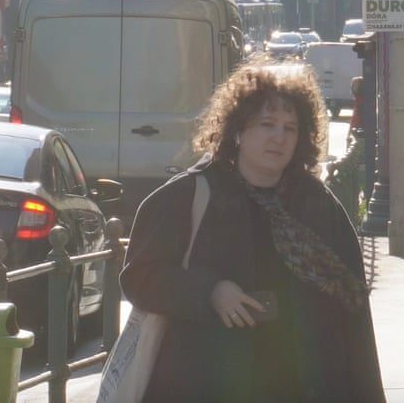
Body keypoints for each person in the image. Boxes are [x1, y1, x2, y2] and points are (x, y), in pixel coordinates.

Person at [120, 63, 386, 403]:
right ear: (238, 130)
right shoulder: (188, 196)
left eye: (290, 128)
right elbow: (140, 278)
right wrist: (210, 291)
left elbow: (353, 312)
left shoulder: (318, 205)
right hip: (207, 382)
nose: (279, 137)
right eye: (266, 124)